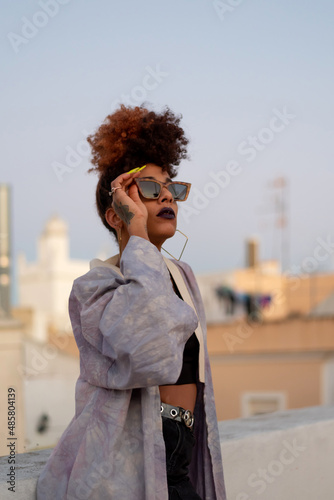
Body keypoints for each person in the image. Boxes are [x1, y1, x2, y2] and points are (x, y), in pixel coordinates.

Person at [36, 105, 226, 499]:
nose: (167, 197)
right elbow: (150, 354)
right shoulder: (94, 287)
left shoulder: (182, 276)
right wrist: (137, 236)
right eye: (151, 189)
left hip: (178, 459)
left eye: (172, 187)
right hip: (125, 470)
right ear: (115, 213)